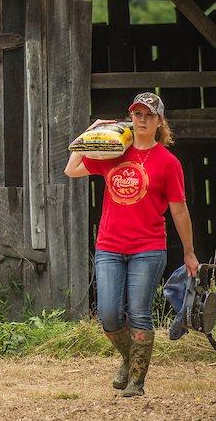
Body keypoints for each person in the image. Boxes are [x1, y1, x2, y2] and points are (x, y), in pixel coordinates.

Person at [63, 92, 198, 397]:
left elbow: (179, 209)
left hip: (148, 248)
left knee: (139, 313)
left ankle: (137, 381)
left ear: (159, 121)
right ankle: (128, 357)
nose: (142, 120)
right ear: (130, 118)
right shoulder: (112, 152)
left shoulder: (168, 162)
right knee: (109, 315)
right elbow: (71, 169)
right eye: (137, 115)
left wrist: (189, 253)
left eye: (149, 115)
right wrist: (89, 132)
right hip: (109, 245)